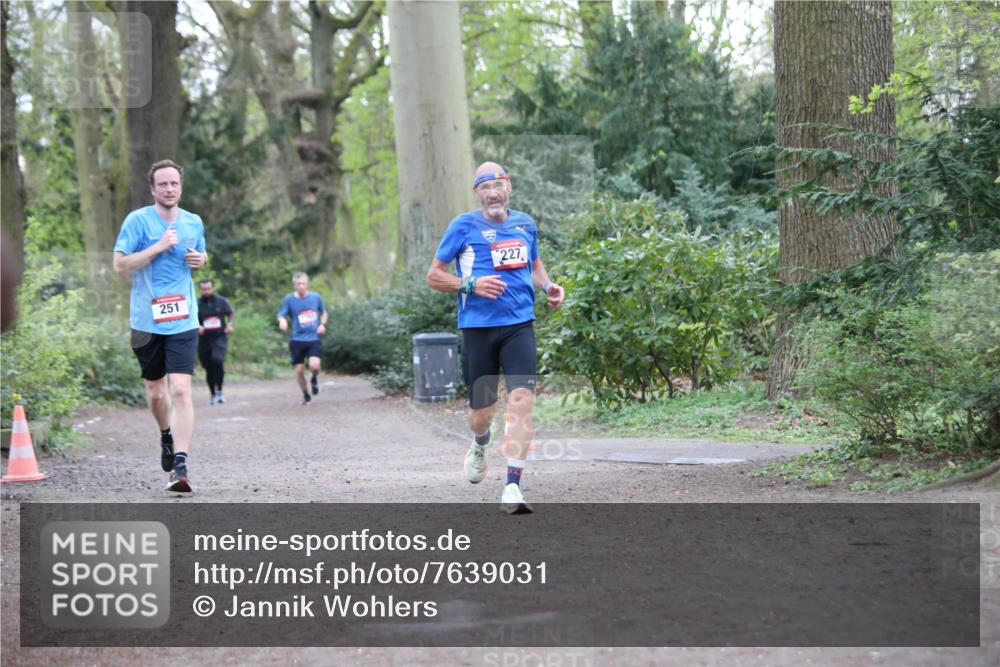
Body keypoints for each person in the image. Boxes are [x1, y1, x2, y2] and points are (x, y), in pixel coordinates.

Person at [426, 162, 564, 514]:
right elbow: (434, 276)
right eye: (485, 187)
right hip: (478, 329)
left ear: (508, 186)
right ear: (477, 193)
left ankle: (513, 487)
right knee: (481, 414)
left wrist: (548, 286)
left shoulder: (525, 224)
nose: (492, 193)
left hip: (519, 325)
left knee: (522, 402)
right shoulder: (463, 226)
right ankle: (480, 442)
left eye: (497, 185)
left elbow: (533, 266)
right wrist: (471, 284)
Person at [113, 159, 207, 493]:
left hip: (183, 317)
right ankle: (166, 435)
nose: (169, 189)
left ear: (181, 187)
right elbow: (120, 265)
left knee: (181, 389)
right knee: (156, 393)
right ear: (153, 189)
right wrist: (158, 247)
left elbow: (199, 254)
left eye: (174, 184)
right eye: (162, 184)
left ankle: (180, 466)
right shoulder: (137, 221)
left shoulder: (193, 222)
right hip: (145, 321)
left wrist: (200, 260)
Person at [277, 272, 327, 405]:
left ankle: (314, 378)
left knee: (315, 366)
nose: (301, 286)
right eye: (298, 284)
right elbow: (281, 314)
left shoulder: (316, 297)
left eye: (303, 283)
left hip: (313, 339)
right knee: (299, 370)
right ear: (294, 285)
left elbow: (324, 312)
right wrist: (282, 321)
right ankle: (305, 394)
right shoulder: (289, 299)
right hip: (297, 340)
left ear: (307, 284)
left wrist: (322, 324)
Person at [196, 279, 235, 405]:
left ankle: (220, 391)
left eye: (208, 288)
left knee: (217, 360)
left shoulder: (222, 301)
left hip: (219, 338)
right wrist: (197, 326)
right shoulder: (196, 303)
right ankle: (213, 393)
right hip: (204, 340)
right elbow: (190, 318)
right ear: (200, 289)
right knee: (208, 367)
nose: (206, 291)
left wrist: (229, 324)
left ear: (213, 288)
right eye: (203, 289)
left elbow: (231, 313)